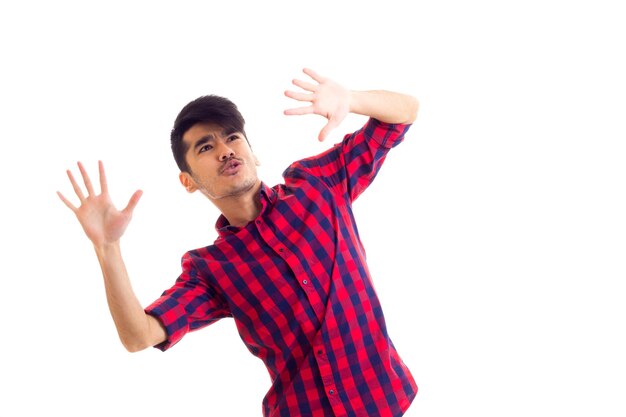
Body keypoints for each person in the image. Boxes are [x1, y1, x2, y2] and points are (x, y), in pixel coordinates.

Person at [58, 68, 419, 417]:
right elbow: (140, 335)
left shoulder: (317, 184)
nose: (225, 151)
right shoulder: (211, 269)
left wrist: (351, 99)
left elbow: (404, 113)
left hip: (384, 402)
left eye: (232, 138)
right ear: (188, 181)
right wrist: (108, 248)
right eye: (205, 146)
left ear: (253, 152)